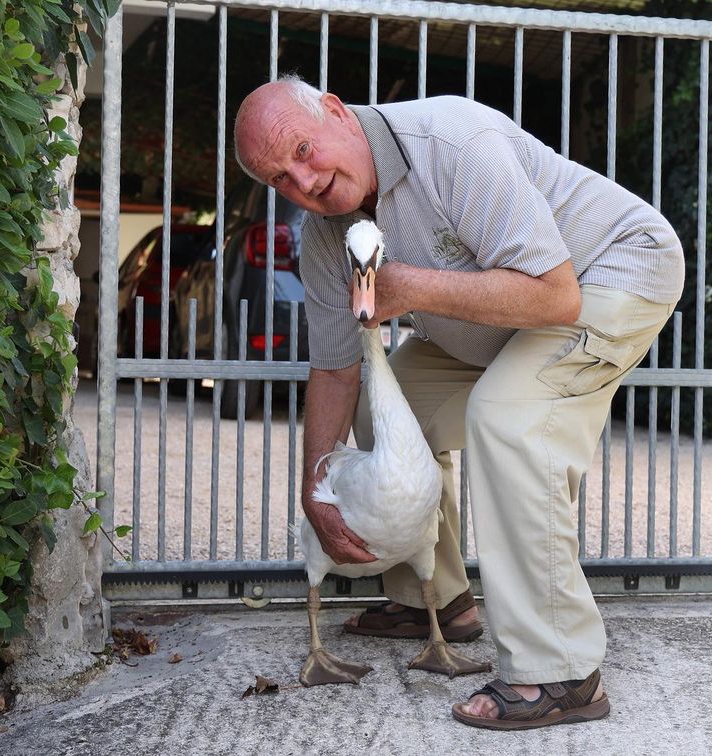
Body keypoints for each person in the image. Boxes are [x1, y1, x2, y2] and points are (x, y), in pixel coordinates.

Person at [234, 74, 684, 730]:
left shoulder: (452, 142)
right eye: (279, 179)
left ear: (335, 112)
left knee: (509, 417)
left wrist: (409, 286)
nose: (302, 184)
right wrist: (314, 490)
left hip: (610, 273)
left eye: (302, 151)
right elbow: (335, 370)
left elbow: (553, 297)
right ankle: (435, 602)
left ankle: (560, 672)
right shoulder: (326, 236)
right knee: (387, 410)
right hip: (508, 316)